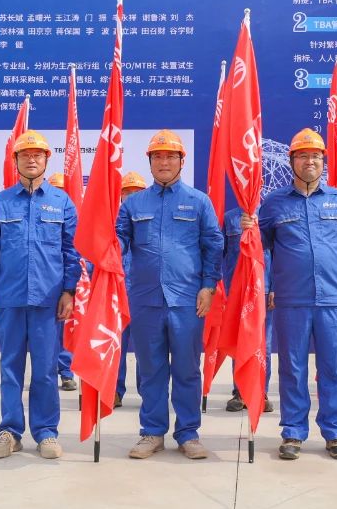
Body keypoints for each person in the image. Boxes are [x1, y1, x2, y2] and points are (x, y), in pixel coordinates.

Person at [257, 128, 337, 461]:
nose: (309, 161)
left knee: (332, 368)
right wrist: (267, 286)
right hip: (291, 299)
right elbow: (260, 250)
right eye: (303, 156)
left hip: (331, 298)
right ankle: (293, 431)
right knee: (292, 368)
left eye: (315, 156)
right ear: (292, 161)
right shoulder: (274, 203)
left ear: (323, 162)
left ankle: (334, 432)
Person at [117, 131, 223, 460]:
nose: (164, 162)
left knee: (187, 369)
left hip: (187, 300)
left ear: (181, 161)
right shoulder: (133, 204)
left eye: (170, 157)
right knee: (150, 369)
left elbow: (213, 245)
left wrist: (208, 285)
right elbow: (118, 244)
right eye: (158, 157)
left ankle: (188, 433)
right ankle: (152, 432)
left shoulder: (198, 201)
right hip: (145, 299)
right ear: (149, 162)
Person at [0, 130, 81, 459]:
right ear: (16, 161)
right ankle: (9, 432)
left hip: (48, 302)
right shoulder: (2, 202)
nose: (31, 159)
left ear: (47, 160)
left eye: (37, 154)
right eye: (25, 155)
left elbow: (72, 252)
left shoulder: (62, 202)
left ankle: (47, 432)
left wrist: (69, 291)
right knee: (10, 368)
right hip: (9, 299)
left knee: (46, 370)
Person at [222, 205, 274, 413]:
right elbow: (220, 252)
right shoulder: (229, 217)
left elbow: (278, 253)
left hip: (263, 289)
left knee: (264, 343)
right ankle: (240, 391)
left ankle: (261, 391)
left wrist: (275, 287)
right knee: (239, 340)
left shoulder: (269, 214)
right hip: (237, 290)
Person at [115, 171, 147, 408]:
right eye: (127, 192)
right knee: (115, 346)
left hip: (144, 295)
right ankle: (114, 391)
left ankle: (148, 393)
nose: (132, 196)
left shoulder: (152, 222)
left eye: (137, 192)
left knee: (147, 348)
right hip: (117, 296)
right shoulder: (111, 223)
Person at [47, 172, 78, 392]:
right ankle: (47, 373)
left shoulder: (72, 216)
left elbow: (74, 252)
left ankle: (66, 373)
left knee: (67, 330)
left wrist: (71, 287)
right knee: (48, 337)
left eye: (62, 190)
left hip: (67, 283)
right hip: (47, 285)